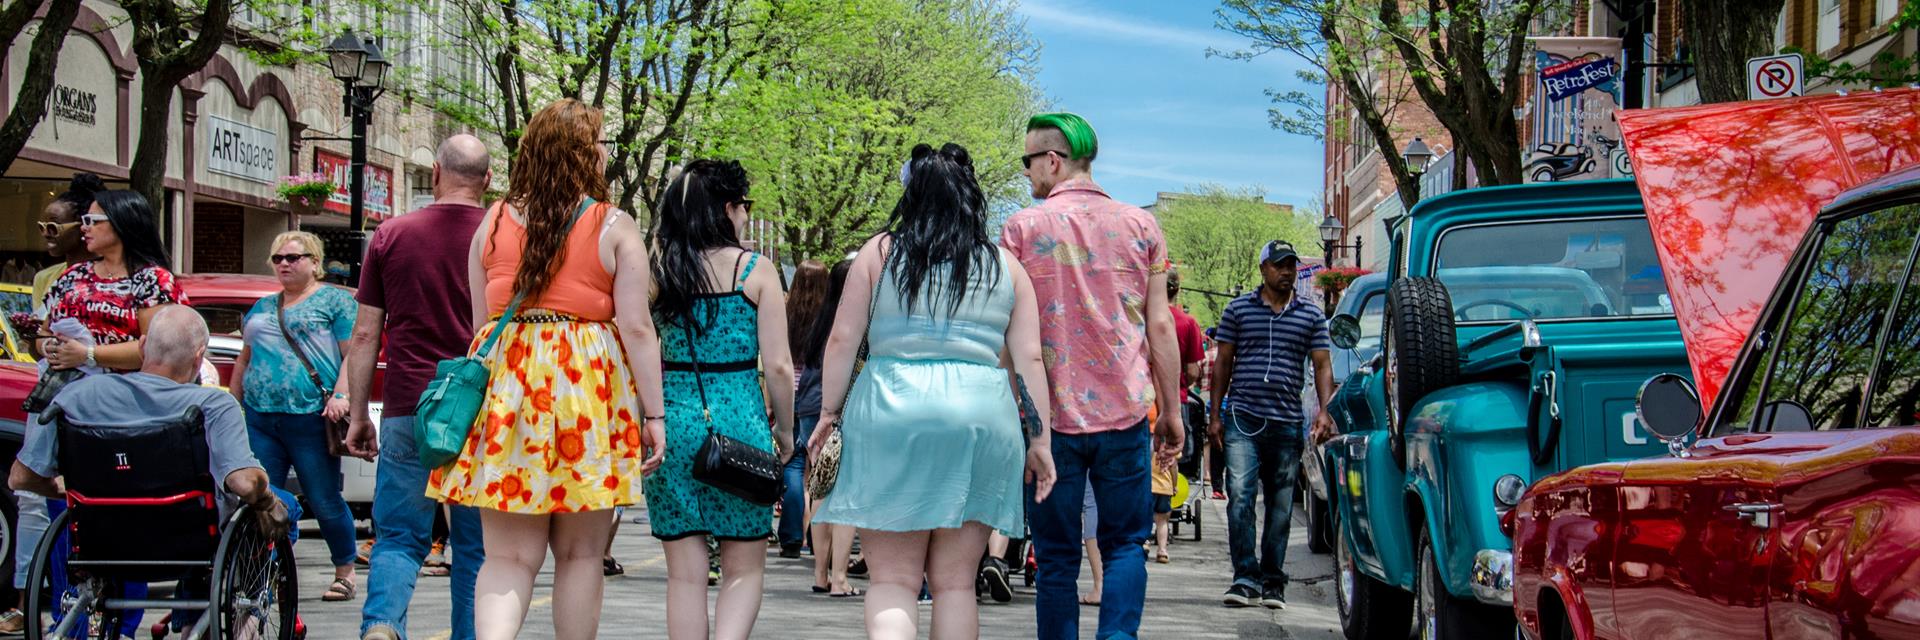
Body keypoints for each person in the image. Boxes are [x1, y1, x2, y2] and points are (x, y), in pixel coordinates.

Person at [425, 99, 666, 640]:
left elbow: (481, 324)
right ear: (583, 153)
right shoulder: (614, 224)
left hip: (509, 394)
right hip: (587, 396)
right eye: (600, 144)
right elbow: (638, 328)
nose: (606, 154)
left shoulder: (494, 219)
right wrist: (656, 414)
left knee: (508, 557)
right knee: (581, 555)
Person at [811, 143, 1056, 640]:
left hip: (891, 409)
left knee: (894, 581)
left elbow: (841, 339)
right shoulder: (1007, 267)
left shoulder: (879, 253)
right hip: (982, 417)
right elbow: (1029, 359)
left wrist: (829, 412)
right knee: (955, 585)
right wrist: (1040, 440)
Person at [1001, 112, 1184, 640]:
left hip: (1048, 422)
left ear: (1053, 161)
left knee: (1056, 557)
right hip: (1125, 414)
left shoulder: (1020, 230)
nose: (1028, 173)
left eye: (1029, 160)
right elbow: (1159, 326)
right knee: (1125, 544)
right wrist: (1170, 412)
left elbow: (1008, 333)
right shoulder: (1141, 226)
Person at [9, 306, 293, 632]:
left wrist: (60, 489)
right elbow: (244, 483)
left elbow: (21, 476)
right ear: (200, 356)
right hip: (189, 543)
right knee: (284, 507)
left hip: (101, 541)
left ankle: (193, 619)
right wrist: (268, 499)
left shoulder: (75, 395)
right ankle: (226, 619)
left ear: (143, 346)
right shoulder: (213, 405)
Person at [344, 134, 494, 640]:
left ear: (434, 174)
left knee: (398, 538)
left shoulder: (391, 234)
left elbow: (366, 333)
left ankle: (383, 624)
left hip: (411, 402)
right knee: (476, 548)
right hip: (481, 409)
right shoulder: (503, 236)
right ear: (489, 180)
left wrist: (361, 413)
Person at [644, 159, 796, 640]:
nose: (747, 217)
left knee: (684, 576)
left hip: (671, 422)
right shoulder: (756, 270)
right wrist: (786, 432)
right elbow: (778, 366)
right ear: (728, 208)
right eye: (745, 207)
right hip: (741, 425)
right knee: (744, 568)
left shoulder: (658, 270)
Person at [228, 230, 361, 602]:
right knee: (259, 497)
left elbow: (353, 353)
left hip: (310, 416)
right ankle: (265, 573)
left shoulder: (334, 302)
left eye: (294, 257)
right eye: (278, 258)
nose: (284, 264)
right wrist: (233, 405)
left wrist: (342, 394)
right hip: (260, 415)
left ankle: (345, 571)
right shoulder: (262, 307)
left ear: (314, 263)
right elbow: (244, 358)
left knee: (323, 498)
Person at [1206, 240, 1334, 610]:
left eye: (1291, 265)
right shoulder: (1238, 311)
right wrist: (1215, 416)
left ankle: (1273, 581)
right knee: (1241, 499)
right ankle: (1245, 578)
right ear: (1263, 269)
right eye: (1279, 265)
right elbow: (1222, 365)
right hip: (1243, 418)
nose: (1287, 272)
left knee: (1280, 507)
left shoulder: (1310, 316)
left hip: (1286, 422)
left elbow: (1322, 365)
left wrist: (1324, 411)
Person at [4, 172, 105, 634]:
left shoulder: (118, 278)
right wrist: (39, 340)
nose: (47, 234)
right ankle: (34, 601)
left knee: (90, 500)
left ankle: (102, 609)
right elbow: (46, 345)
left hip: (92, 398)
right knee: (32, 496)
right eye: (43, 226)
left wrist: (79, 353)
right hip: (50, 393)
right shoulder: (51, 278)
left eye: (55, 225)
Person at [800, 261, 857, 596]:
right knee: (846, 491)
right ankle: (839, 578)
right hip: (841, 407)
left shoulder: (820, 319)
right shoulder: (855, 320)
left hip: (810, 406)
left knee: (819, 487)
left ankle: (820, 574)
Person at [780, 258, 830, 559]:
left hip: (788, 394)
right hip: (817, 397)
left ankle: (790, 535)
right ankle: (816, 536)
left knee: (793, 464)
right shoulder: (827, 317)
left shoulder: (785, 313)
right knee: (818, 468)